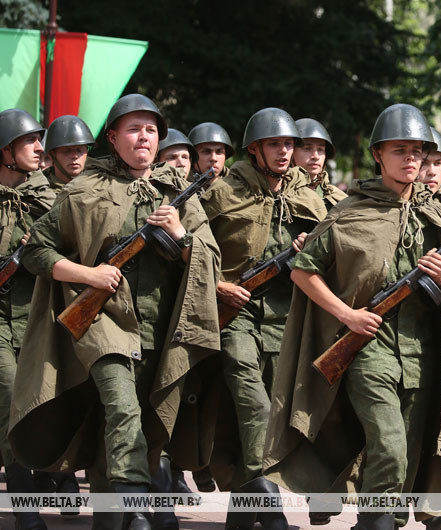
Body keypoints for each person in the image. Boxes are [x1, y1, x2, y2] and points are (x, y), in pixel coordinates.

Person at [262, 104, 441, 530]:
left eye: (418, 151)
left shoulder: (435, 217)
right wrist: (348, 315)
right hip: (368, 352)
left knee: (405, 450)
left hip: (420, 350)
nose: (411, 159)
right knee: (389, 445)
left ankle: (374, 521)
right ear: (378, 154)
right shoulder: (351, 213)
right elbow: (303, 271)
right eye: (400, 150)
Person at [11, 94, 222, 530]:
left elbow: (209, 257)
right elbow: (36, 251)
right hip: (104, 322)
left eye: (150, 129)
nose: (142, 136)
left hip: (162, 325)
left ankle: (114, 514)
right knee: (122, 407)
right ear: (112, 137)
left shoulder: (176, 192)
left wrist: (181, 234)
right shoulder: (84, 189)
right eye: (132, 128)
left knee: (146, 421)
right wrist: (88, 276)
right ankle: (136, 506)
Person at [200, 107, 326, 529]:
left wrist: (314, 244)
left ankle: (243, 509)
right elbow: (192, 250)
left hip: (286, 318)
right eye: (275, 143)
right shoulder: (222, 193)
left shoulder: (307, 194)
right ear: (254, 149)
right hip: (234, 315)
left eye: (289, 143)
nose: (285, 151)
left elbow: (333, 250)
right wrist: (218, 285)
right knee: (252, 402)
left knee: (268, 412)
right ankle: (269, 506)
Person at [0, 108, 56, 530]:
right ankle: (26, 509)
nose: (40, 148)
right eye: (29, 142)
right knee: (9, 404)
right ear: (5, 152)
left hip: (38, 320)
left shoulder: (49, 198)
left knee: (39, 407)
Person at [292, 118, 347, 208]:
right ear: (291, 152)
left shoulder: (338, 199)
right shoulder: (277, 195)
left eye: (320, 150)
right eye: (307, 148)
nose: (316, 156)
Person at [42, 114, 95, 190]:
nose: (75, 156)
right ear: (52, 155)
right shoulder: (39, 191)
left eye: (79, 150)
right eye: (66, 151)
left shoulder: (100, 186)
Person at [188, 121, 234, 187]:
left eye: (219, 152)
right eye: (206, 152)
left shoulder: (238, 185)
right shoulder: (178, 186)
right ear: (192, 156)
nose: (213, 158)